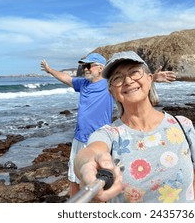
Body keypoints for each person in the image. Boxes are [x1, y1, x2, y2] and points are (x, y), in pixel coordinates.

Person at [74, 51, 195, 203]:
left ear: (150, 80)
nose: (128, 81)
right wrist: (86, 166)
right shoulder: (108, 134)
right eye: (117, 78)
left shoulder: (183, 125)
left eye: (134, 72)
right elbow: (90, 153)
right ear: (112, 92)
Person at [40, 52, 176, 198]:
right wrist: (50, 70)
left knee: (104, 182)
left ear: (100, 68)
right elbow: (67, 78)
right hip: (79, 139)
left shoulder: (108, 85)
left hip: (102, 141)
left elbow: (127, 86)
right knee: (74, 177)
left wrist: (153, 78)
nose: (85, 69)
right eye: (84, 66)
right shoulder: (83, 84)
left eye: (89, 66)